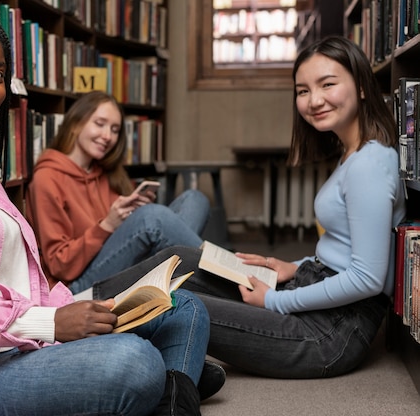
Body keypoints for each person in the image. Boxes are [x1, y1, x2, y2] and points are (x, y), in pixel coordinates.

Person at [0, 8, 217, 416]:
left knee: (185, 308)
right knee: (134, 362)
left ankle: (169, 398)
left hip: (21, 344)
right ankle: (173, 383)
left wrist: (83, 312)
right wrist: (50, 324)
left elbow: (23, 281)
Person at [100, 35, 406, 379]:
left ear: (362, 86)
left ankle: (78, 319)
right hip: (312, 286)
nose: (314, 100)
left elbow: (367, 278)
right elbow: (347, 246)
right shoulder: (353, 154)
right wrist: (293, 266)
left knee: (175, 302)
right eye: (302, 90)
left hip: (330, 332)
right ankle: (73, 306)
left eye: (327, 84)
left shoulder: (370, 164)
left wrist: (276, 301)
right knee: (181, 259)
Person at [26, 90, 212, 294]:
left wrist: (133, 212)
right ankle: (224, 276)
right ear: (76, 123)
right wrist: (107, 225)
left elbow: (125, 239)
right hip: (77, 285)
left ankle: (182, 275)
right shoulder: (47, 178)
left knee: (195, 199)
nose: (108, 136)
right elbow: (60, 266)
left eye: (115, 130)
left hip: (119, 264)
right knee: (153, 218)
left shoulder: (106, 171)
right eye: (100, 124)